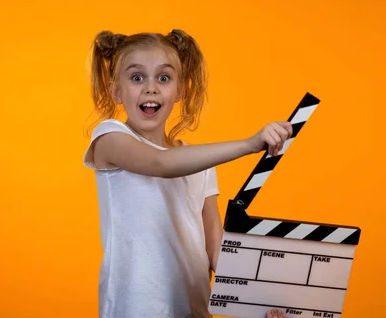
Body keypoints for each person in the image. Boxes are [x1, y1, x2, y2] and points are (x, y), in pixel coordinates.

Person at [83, 29, 293, 318]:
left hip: (193, 309)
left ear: (180, 89)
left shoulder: (199, 161)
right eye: (136, 77)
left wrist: (261, 301)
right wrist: (249, 144)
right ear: (116, 90)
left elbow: (216, 248)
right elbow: (162, 164)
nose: (151, 88)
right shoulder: (108, 138)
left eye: (164, 78)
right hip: (135, 308)